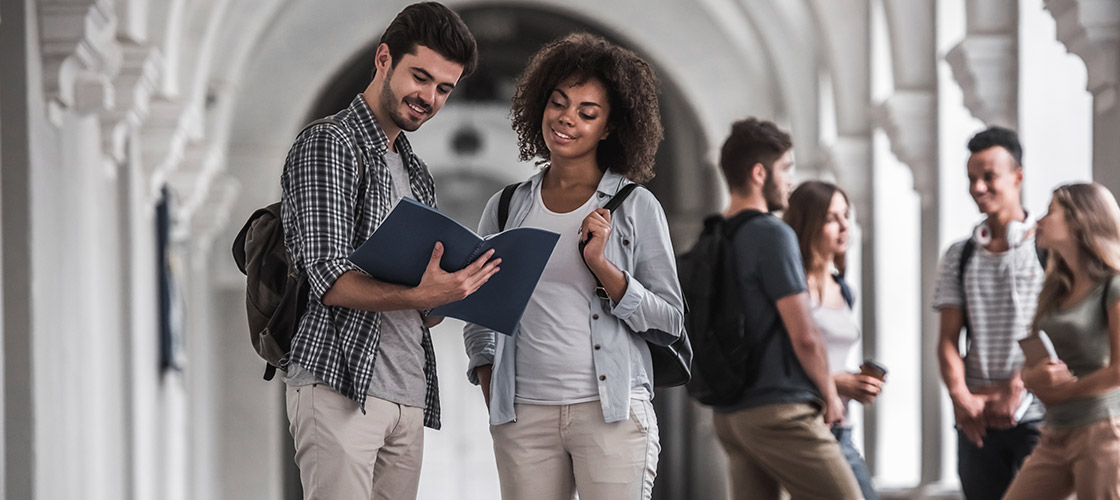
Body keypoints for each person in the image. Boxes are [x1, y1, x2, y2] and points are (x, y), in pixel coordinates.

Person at [277, 4, 495, 499]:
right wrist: (422, 293)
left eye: (444, 88)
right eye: (421, 77)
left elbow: (421, 304)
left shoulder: (416, 171)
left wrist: (454, 292)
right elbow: (328, 280)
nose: (430, 98)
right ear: (383, 59)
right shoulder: (330, 144)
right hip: (340, 384)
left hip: (408, 393)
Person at [462, 33, 683, 500]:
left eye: (588, 112)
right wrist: (490, 381)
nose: (567, 119)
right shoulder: (504, 208)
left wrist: (604, 267)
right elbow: (480, 308)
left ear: (608, 128)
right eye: (559, 103)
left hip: (612, 416)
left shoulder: (635, 206)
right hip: (524, 419)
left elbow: (670, 320)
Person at [709, 118, 863, 500]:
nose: (791, 181)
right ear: (760, 173)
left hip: (730, 413)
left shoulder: (716, 234)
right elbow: (805, 334)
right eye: (786, 169)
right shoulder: (771, 233)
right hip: (780, 409)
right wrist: (830, 396)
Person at [1002, 183, 1120, 500]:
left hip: (1104, 429)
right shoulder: (1055, 288)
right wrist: (1034, 378)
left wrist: (1062, 391)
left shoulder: (1118, 285)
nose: (1040, 221)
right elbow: (1030, 364)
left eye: (1050, 212)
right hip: (1056, 432)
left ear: (1079, 220)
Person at [933, 126, 1044, 499]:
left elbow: (1060, 332)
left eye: (988, 177)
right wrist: (961, 397)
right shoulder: (958, 256)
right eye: (971, 179)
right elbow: (947, 340)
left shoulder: (1049, 250)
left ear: (1018, 176)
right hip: (976, 420)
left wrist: (1018, 385)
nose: (978, 188)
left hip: (1036, 415)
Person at [783, 180, 884, 500]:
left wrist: (856, 383)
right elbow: (783, 358)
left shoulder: (844, 288)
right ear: (808, 224)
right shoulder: (792, 288)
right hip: (805, 424)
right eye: (831, 219)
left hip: (842, 425)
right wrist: (836, 383)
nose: (844, 227)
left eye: (846, 215)